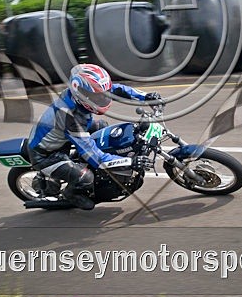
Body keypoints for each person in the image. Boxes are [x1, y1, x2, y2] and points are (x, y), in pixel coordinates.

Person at [26, 63, 161, 210]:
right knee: (85, 177)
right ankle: (71, 194)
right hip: (45, 155)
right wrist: (129, 162)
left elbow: (117, 90)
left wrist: (145, 97)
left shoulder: (85, 93)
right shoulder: (70, 117)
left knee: (102, 127)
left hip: (62, 136)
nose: (102, 98)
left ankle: (90, 163)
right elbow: (94, 156)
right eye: (97, 96)